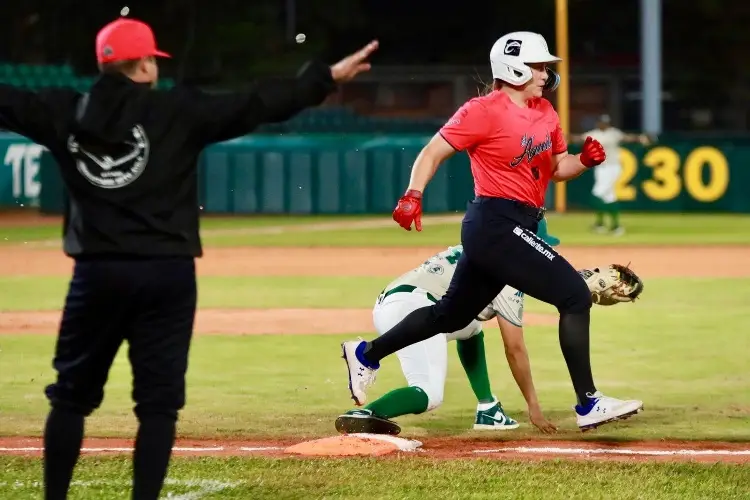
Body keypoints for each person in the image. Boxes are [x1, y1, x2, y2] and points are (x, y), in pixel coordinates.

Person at [0, 15, 377, 500]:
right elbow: (256, 103)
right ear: (142, 65)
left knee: (70, 397)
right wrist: (322, 79)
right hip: (167, 274)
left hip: (97, 273)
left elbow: (7, 100)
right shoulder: (176, 112)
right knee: (157, 407)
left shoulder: (64, 111)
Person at [339, 31, 643, 432]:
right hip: (495, 222)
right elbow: (433, 151)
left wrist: (583, 161)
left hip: (515, 223)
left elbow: (557, 169)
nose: (546, 73)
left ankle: (366, 353)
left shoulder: (546, 112)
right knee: (573, 295)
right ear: (513, 67)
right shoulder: (482, 110)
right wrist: (412, 194)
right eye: (539, 66)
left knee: (450, 315)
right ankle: (589, 403)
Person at [335, 221, 562, 437]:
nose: (546, 252)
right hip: (414, 309)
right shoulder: (507, 269)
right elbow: (514, 348)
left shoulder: (479, 244)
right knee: (429, 394)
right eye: (542, 246)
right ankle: (365, 413)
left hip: (393, 302)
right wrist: (533, 405)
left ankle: (488, 408)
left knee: (471, 327)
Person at [570, 114, 652, 236]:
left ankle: (604, 225)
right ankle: (612, 226)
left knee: (597, 194)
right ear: (598, 123)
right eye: (602, 122)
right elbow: (578, 138)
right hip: (600, 168)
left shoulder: (613, 133)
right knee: (609, 197)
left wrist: (640, 138)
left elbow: (627, 138)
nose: (604, 124)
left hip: (612, 168)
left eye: (606, 122)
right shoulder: (595, 133)